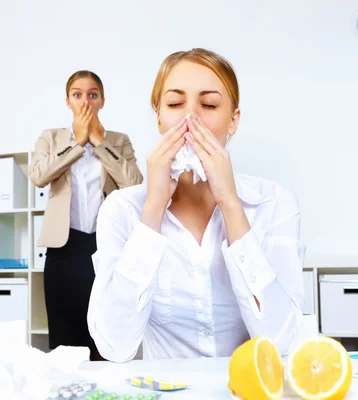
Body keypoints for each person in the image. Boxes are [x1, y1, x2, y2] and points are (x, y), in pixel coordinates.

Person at [87, 49, 305, 362]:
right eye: (175, 104)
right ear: (159, 117)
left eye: (209, 104)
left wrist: (230, 203)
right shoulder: (121, 210)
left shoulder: (273, 203)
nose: (191, 119)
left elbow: (282, 342)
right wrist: (154, 208)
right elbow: (114, 346)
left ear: (233, 120)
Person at [29, 70, 143, 360]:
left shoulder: (119, 140)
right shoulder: (51, 138)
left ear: (102, 101)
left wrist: (100, 143)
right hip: (63, 248)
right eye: (77, 94)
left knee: (104, 334)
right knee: (65, 336)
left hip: (104, 248)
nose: (85, 101)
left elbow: (134, 185)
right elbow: (39, 176)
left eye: (92, 94)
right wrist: (78, 143)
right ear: (67, 101)